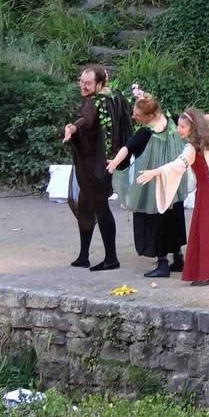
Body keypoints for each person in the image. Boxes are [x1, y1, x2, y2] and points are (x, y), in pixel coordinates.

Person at [136, 104, 209, 286]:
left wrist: (155, 172)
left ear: (192, 127)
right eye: (178, 126)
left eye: (182, 126)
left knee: (208, 229)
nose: (179, 129)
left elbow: (178, 165)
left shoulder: (192, 148)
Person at [105, 91, 205, 278]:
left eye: (138, 115)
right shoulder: (173, 121)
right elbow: (192, 121)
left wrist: (114, 164)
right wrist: (208, 118)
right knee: (174, 215)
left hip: (154, 182)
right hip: (174, 180)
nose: (135, 117)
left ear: (150, 115)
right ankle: (178, 257)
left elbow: (127, 148)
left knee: (155, 218)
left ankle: (162, 263)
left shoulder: (146, 133)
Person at [62, 63, 132, 272]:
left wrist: (72, 128)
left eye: (88, 83)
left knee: (100, 207)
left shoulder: (97, 102)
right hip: (101, 161)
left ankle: (111, 258)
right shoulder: (115, 97)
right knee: (85, 205)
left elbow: (86, 119)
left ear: (100, 83)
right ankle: (84, 255)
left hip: (96, 164)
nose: (83, 86)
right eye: (81, 82)